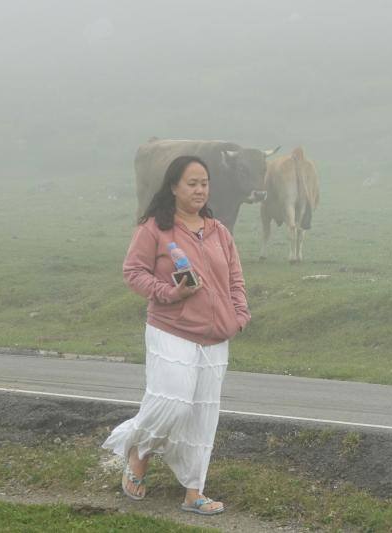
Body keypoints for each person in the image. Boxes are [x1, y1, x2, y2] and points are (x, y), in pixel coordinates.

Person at [102, 155, 250, 515]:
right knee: (173, 402)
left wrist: (239, 315)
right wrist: (170, 293)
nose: (200, 190)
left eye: (204, 183)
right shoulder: (155, 228)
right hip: (171, 328)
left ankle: (193, 492)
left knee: (202, 414)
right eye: (192, 183)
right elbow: (133, 272)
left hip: (216, 336)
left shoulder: (219, 231)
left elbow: (235, 280)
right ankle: (138, 452)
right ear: (173, 187)